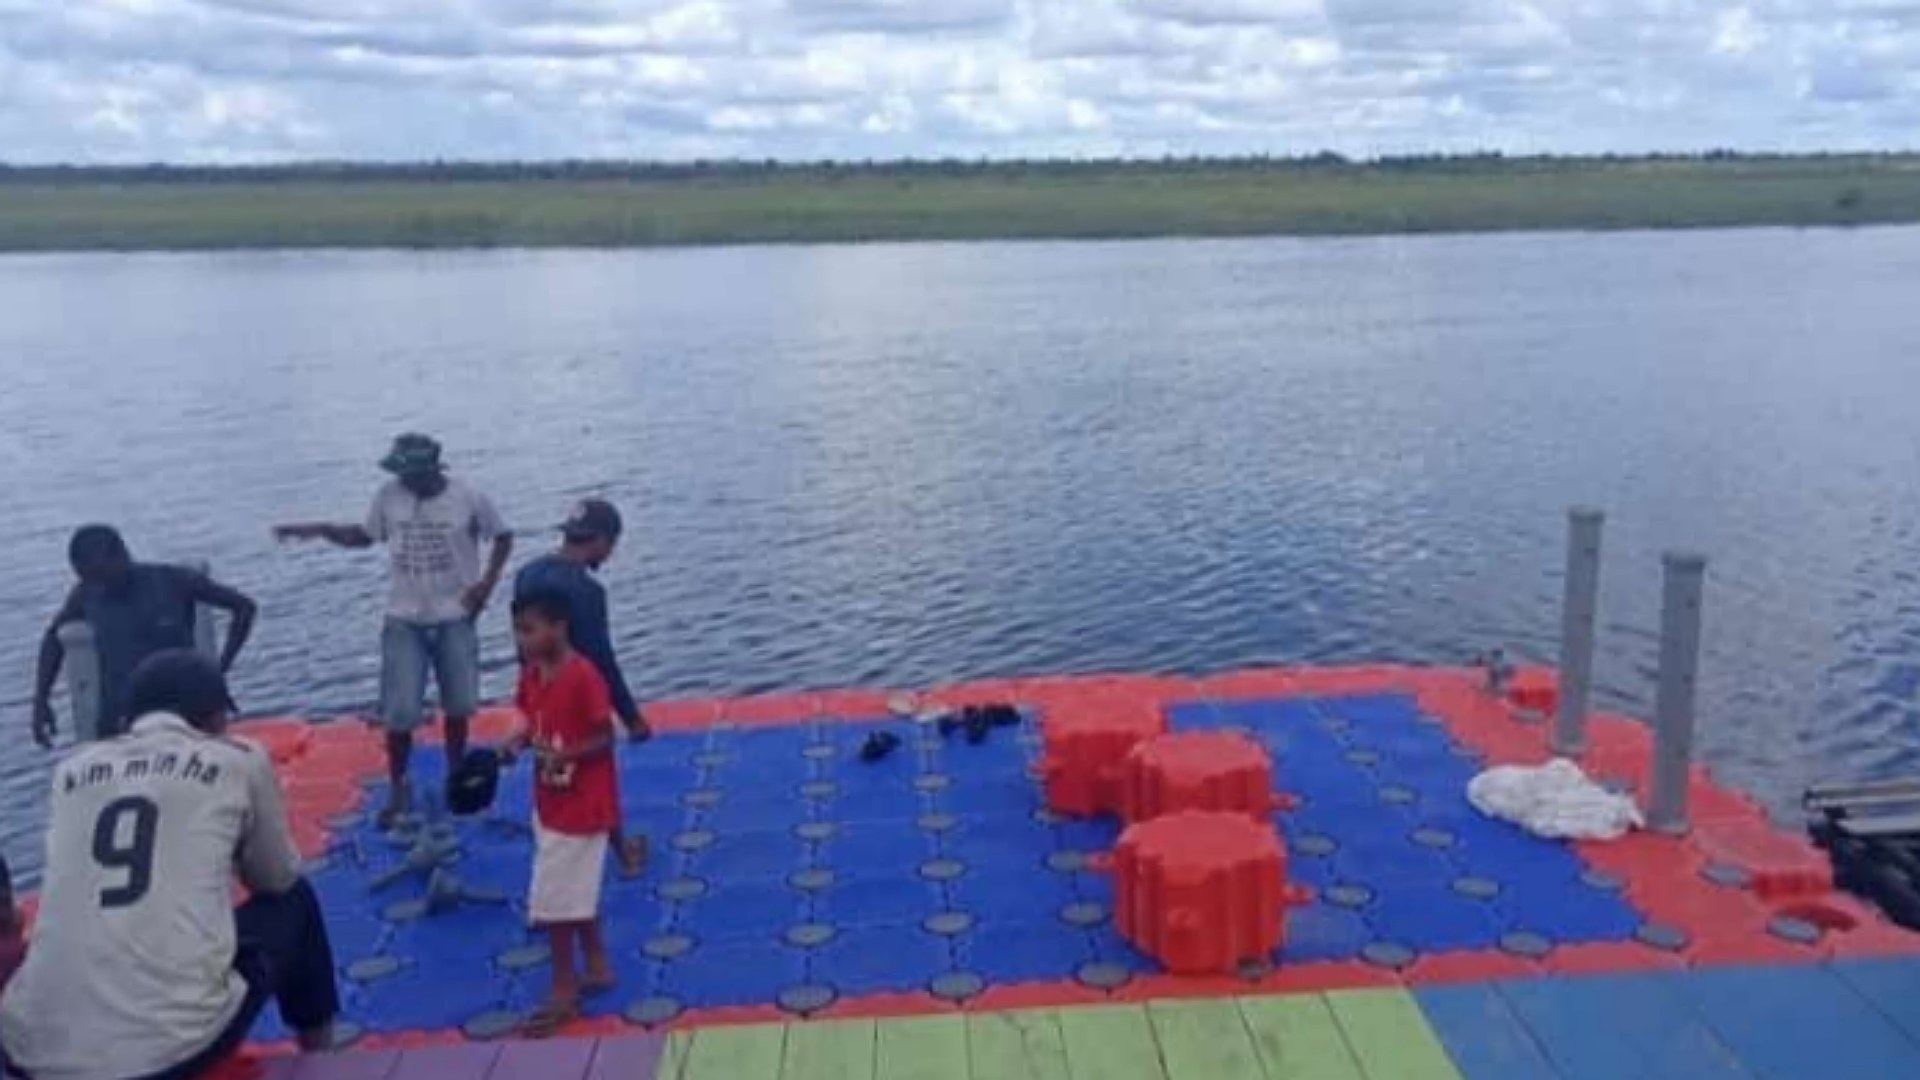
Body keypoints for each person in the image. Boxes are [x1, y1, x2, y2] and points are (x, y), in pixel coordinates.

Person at [0, 650, 340, 1080]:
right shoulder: (237, 758)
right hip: (167, 1052)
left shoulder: (71, 769)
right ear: (214, 717)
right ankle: (323, 1058)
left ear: (129, 718)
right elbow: (274, 877)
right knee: (295, 902)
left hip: (32, 1054)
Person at [274, 433, 512, 826]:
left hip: (455, 616)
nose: (405, 482)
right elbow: (364, 536)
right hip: (405, 619)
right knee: (399, 713)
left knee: (458, 705)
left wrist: (486, 585)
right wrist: (317, 529)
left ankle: (457, 772)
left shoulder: (469, 498)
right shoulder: (389, 496)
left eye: (410, 475)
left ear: (430, 471)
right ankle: (399, 786)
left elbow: (503, 537)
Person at [503, 590, 623, 1038]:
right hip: (551, 802)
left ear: (559, 627)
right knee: (573, 889)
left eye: (530, 629)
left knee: (553, 900)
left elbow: (605, 736)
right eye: (518, 630)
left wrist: (566, 753)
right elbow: (528, 720)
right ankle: (595, 963)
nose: (522, 639)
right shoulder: (534, 675)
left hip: (582, 805)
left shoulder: (584, 676)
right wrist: (514, 745)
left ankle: (563, 987)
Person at [515, 499, 648, 876]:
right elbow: (601, 659)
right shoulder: (586, 592)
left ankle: (567, 848)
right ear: (602, 541)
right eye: (612, 546)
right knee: (594, 777)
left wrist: (528, 698)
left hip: (540, 693)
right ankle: (620, 855)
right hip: (578, 699)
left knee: (553, 775)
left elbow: (523, 643)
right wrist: (632, 717)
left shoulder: (526, 574)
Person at [31, 526, 257, 748]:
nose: (98, 585)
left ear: (121, 554)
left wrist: (219, 671)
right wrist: (41, 700)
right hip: (120, 722)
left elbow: (244, 607)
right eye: (87, 578)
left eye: (100, 575)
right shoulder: (86, 593)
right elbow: (53, 638)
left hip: (181, 719)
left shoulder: (173, 581)